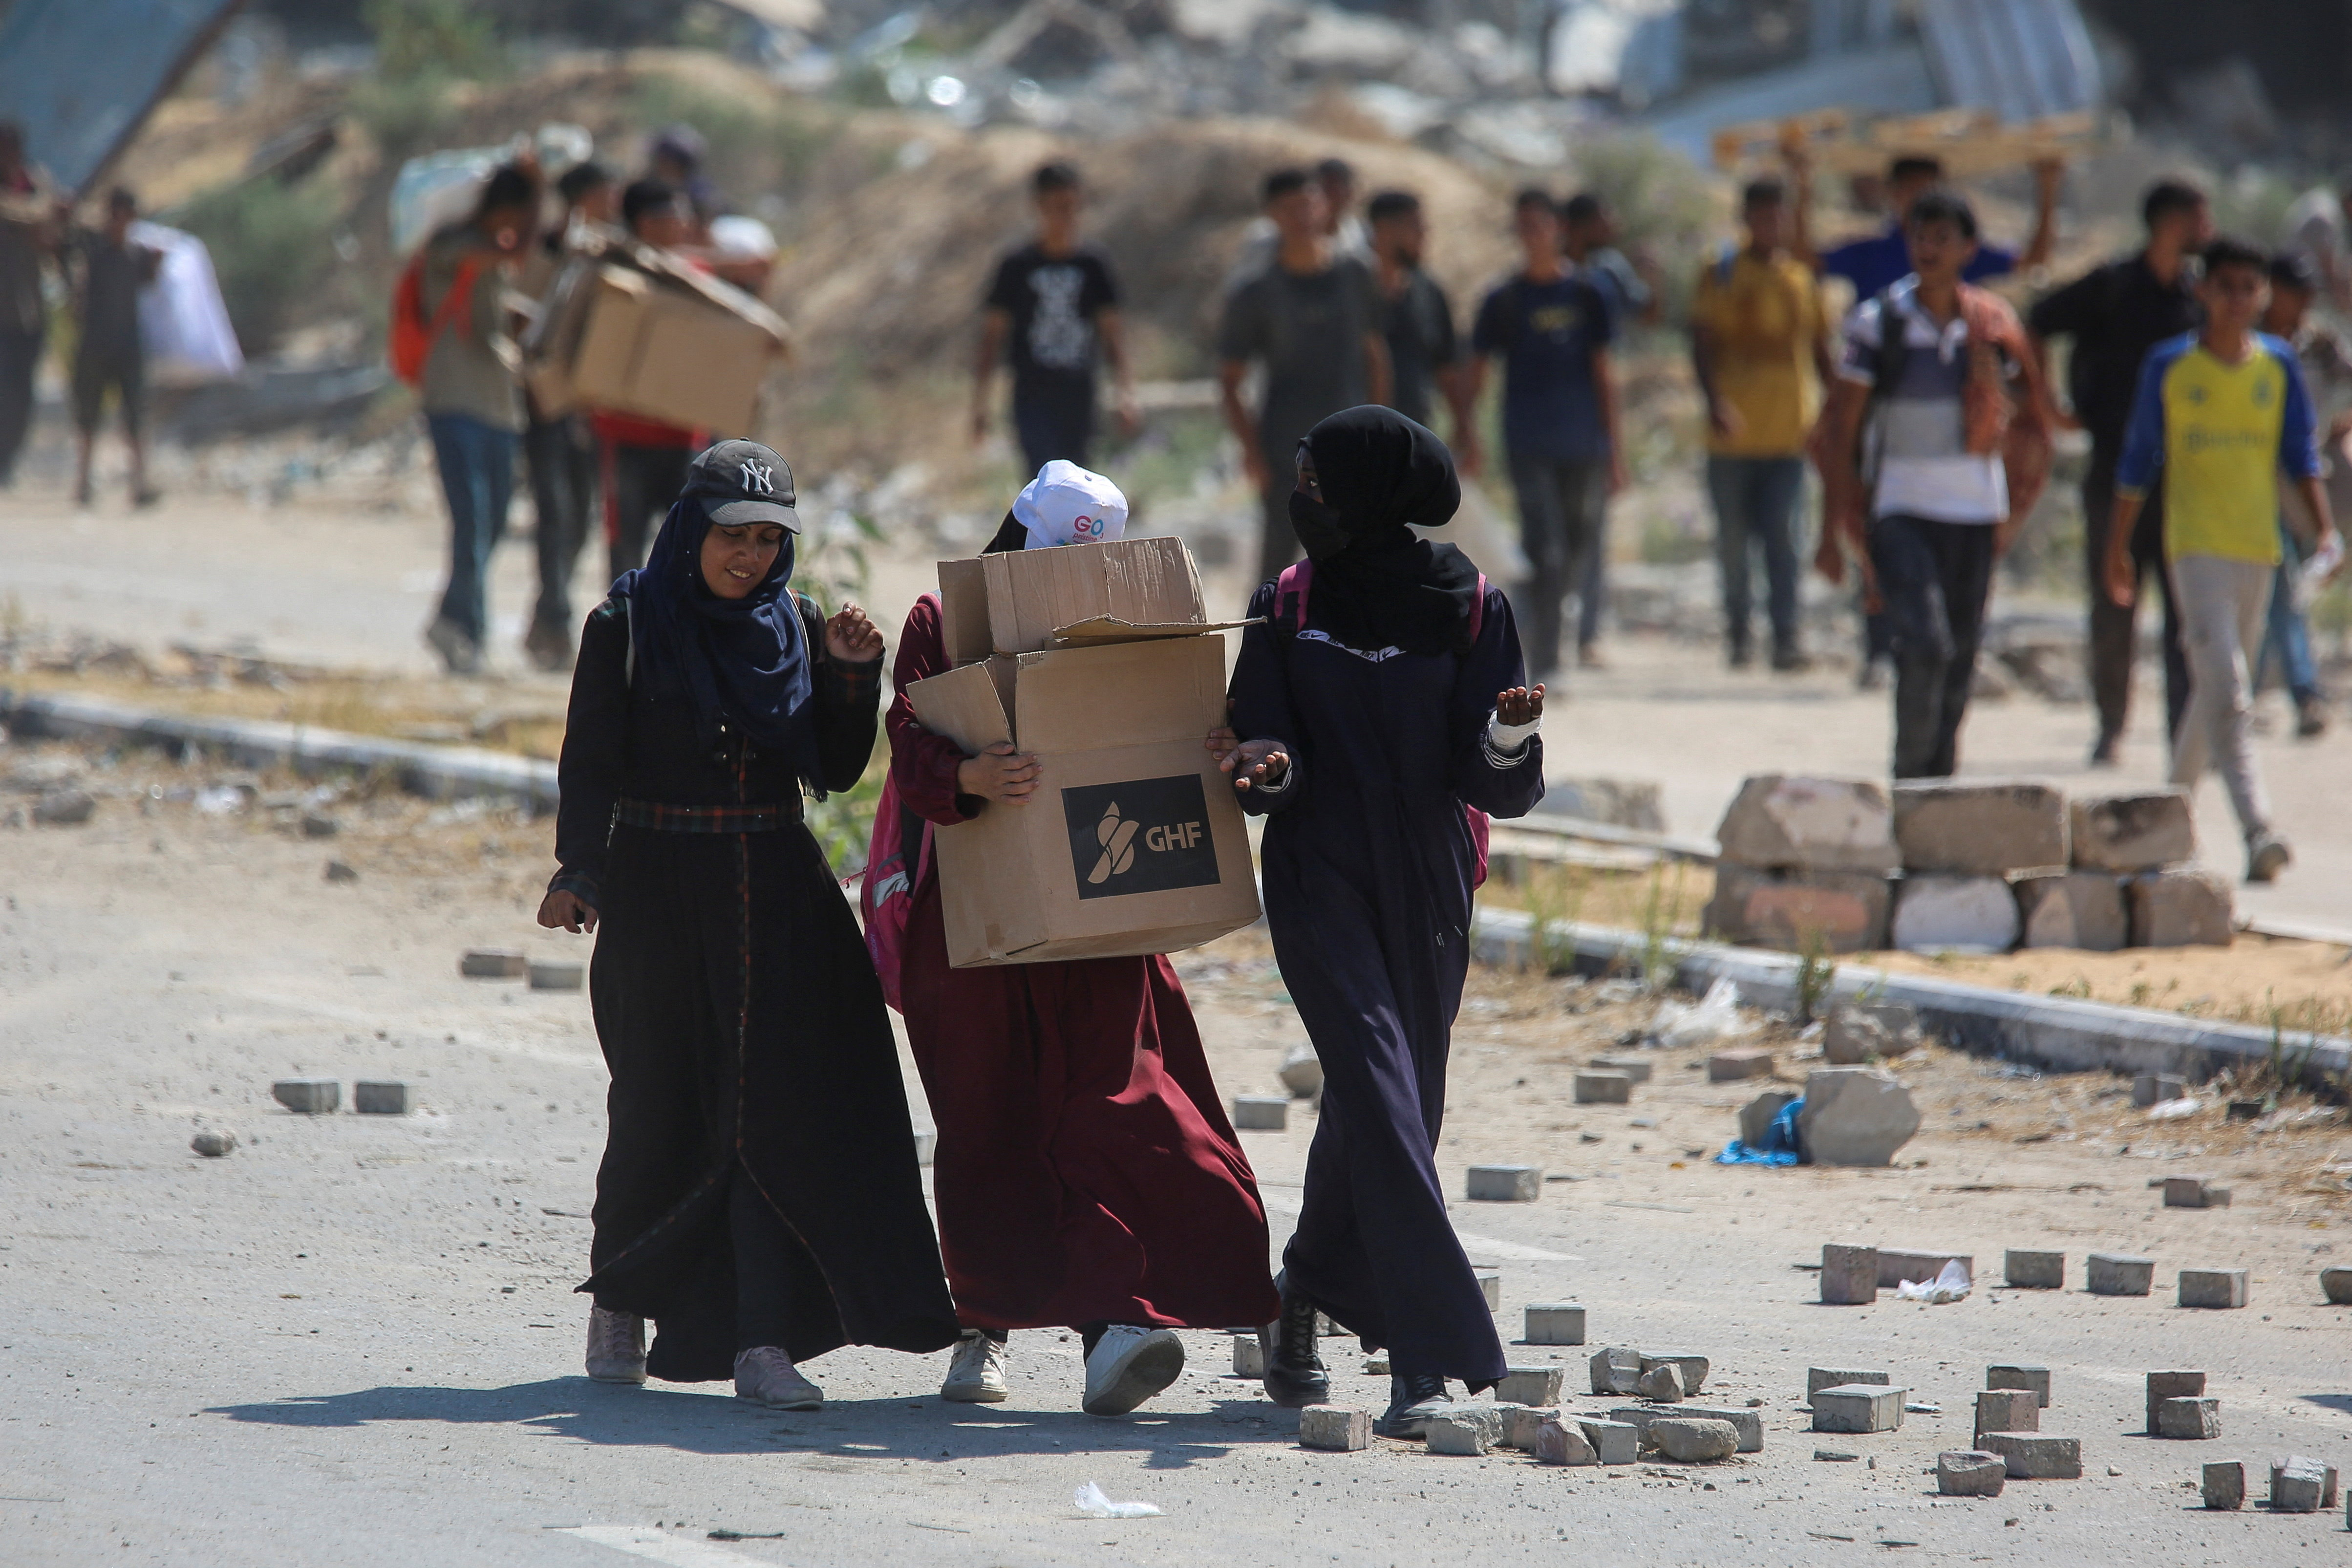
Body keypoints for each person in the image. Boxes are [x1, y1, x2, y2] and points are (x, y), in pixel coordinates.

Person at [539, 438, 959, 1403]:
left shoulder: (796, 623)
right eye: (734, 535)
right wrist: (579, 869)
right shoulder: (625, 623)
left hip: (776, 896)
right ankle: (622, 1298)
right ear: (692, 527)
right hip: (657, 893)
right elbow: (589, 761)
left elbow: (833, 768)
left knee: (774, 1114)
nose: (751, 556)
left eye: (770, 539)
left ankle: (763, 1340)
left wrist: (850, 675)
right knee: (656, 1105)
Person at [885, 462, 1278, 1418]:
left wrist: (1214, 749)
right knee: (988, 1123)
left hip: (1102, 914)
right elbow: (909, 733)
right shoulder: (944, 620)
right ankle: (981, 1327)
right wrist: (968, 773)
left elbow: (1178, 724)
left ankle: (1123, 1322)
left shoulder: (1134, 625)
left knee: (1121, 1109)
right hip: (977, 928)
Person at [1218, 405, 1545, 1439]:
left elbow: (1491, 780)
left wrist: (1507, 735)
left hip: (1429, 874)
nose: (1302, 499)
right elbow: (1258, 737)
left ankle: (1303, 1288)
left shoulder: (1470, 604)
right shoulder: (1287, 600)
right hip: (1318, 868)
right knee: (1373, 1075)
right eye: (1301, 480)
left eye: (1318, 482)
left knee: (1399, 1100)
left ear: (1371, 490)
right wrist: (1267, 763)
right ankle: (1425, 1355)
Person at [2109, 239, 2337, 883]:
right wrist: (2117, 546)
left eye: (2247, 287)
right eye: (2224, 286)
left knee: (2215, 693)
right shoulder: (2170, 366)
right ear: (2202, 291)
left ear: (2261, 295)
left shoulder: (2276, 365)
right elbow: (2137, 460)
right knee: (2230, 691)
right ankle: (2256, 829)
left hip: (2257, 548)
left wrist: (2323, 530)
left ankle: (2163, 819)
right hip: (2193, 548)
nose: (2236, 299)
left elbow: (2298, 454)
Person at [1817, 191, 2036, 779]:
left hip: (1974, 511)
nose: (1928, 249)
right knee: (1924, 643)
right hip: (1901, 508)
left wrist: (1996, 400)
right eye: (1920, 236)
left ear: (1968, 249)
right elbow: (1841, 427)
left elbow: (2028, 413)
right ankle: (1910, 778)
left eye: (1942, 238)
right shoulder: (1877, 324)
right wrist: (1830, 528)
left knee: (1960, 657)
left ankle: (1938, 785)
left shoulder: (1992, 327)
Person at [2025, 179, 2211, 765]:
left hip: (2184, 477)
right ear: (2170, 222)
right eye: (2198, 217)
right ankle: (2110, 726)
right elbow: (2034, 322)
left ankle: (2182, 735)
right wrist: (2047, 405)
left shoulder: (2198, 295)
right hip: (2113, 467)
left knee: (2185, 609)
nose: (2205, 229)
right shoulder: (2111, 286)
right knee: (2111, 605)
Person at [1467, 189, 1622, 681]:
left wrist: (1615, 451)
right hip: (1527, 443)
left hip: (1582, 444)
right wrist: (1468, 431)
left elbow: (1604, 372)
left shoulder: (1588, 293)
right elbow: (1477, 370)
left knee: (1574, 547)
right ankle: (1547, 661)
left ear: (1559, 229)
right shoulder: (1503, 299)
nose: (1532, 235)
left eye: (1539, 224)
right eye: (1524, 226)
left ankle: (1537, 629)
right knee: (1546, 550)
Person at [1218, 168, 1389, 586]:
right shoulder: (1255, 293)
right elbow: (1230, 380)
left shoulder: (1356, 274)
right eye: (1290, 208)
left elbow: (1375, 355)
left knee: (1359, 561)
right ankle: (1269, 628)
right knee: (1280, 566)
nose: (1303, 216)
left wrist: (1383, 430)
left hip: (1352, 444)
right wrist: (1253, 453)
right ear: (1271, 215)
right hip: (1286, 450)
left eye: (1309, 204)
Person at [1691, 176, 1832, 671]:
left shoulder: (1800, 277)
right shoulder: (1722, 272)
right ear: (1746, 219)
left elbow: (1820, 350)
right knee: (1733, 543)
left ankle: (1786, 637)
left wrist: (1833, 413)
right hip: (1731, 438)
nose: (1772, 225)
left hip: (1789, 433)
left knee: (1785, 539)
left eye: (1779, 215)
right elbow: (1701, 341)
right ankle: (1738, 635)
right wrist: (1714, 403)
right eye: (1762, 215)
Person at [419, 164, 535, 676]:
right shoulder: (452, 246)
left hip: (498, 407)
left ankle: (451, 618)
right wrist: (539, 192)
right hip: (454, 401)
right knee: (472, 521)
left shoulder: (494, 258)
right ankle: (470, 633)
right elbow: (514, 251)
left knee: (493, 521)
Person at [971, 163, 1137, 476]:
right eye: (1057, 207)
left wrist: (1125, 393)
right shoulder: (1016, 266)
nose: (1066, 216)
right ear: (1039, 207)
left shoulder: (1093, 265)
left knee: (1079, 484)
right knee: (1042, 479)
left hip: (1079, 392)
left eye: (1072, 207)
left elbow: (1112, 335)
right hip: (1032, 394)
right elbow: (992, 337)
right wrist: (981, 404)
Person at [520, 159, 616, 670]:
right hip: (545, 403)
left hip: (588, 407)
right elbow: (525, 312)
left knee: (578, 515)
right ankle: (553, 622)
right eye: (605, 193)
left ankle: (546, 619)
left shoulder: (609, 250)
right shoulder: (551, 248)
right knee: (556, 514)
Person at [1560, 191, 1660, 661]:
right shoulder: (1552, 272)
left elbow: (1648, 312)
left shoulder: (1611, 270)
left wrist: (1653, 275)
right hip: (1549, 419)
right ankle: (1549, 628)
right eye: (1605, 216)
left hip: (1594, 412)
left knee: (1593, 529)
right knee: (1553, 533)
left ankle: (1588, 633)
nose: (1614, 224)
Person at [2257, 250, 2352, 738]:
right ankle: (2303, 691)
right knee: (2280, 586)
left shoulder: (2319, 344)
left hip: (2305, 479)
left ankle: (2254, 688)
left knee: (2284, 587)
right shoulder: (2249, 341)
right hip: (2253, 478)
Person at [592, 179, 702, 586]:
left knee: (690, 551)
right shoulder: (615, 279)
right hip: (626, 437)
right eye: (676, 215)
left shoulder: (698, 280)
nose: (686, 224)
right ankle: (626, 624)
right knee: (626, 549)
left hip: (684, 437)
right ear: (647, 222)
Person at [1797, 152, 2061, 301]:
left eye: (1928, 190)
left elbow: (2033, 261)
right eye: (1912, 190)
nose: (1921, 202)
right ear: (1894, 193)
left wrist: (2048, 188)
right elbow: (1806, 260)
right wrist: (1802, 186)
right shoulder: (1871, 255)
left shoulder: (1960, 252)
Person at [65, 188, 163, 509]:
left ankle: (140, 483)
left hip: (128, 345)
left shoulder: (137, 255)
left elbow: (149, 283)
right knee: (88, 416)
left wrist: (157, 264)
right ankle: (83, 483)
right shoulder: (92, 251)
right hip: (94, 345)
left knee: (135, 415)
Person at [1366, 190, 1470, 446]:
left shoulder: (1429, 293)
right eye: (1414, 226)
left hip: (1412, 439)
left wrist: (1464, 428)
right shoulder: (1349, 289)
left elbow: (1446, 366)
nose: (1424, 235)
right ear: (1384, 229)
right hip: (1356, 439)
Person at [0, 121, 61, 489]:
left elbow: (48, 230)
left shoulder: (36, 184)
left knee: (21, 391)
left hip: (27, 311)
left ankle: (7, 459)